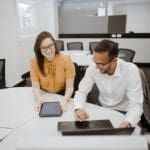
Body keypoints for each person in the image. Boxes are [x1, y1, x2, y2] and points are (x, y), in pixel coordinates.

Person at [74, 40, 143, 128]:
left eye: (101, 64)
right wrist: (78, 108)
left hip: (124, 112)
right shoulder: (94, 67)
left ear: (114, 61)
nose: (96, 66)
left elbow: (136, 104)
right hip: (102, 108)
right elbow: (81, 92)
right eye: (95, 61)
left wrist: (128, 122)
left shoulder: (130, 70)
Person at [30, 31, 75, 112]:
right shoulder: (34, 62)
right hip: (44, 95)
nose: (48, 51)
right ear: (39, 49)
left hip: (62, 95)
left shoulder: (66, 60)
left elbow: (69, 87)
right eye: (43, 48)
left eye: (50, 46)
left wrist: (64, 101)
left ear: (54, 44)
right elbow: (35, 87)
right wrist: (39, 99)